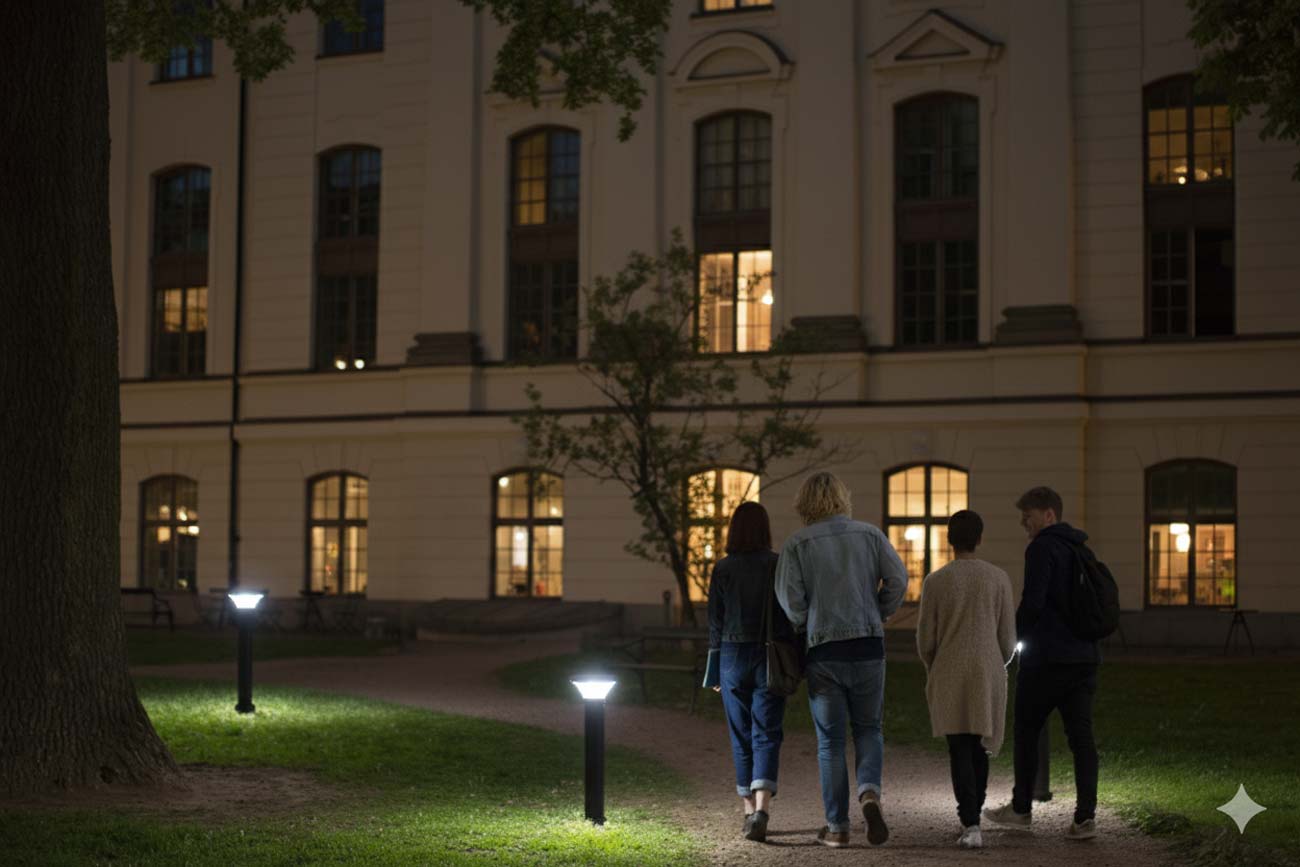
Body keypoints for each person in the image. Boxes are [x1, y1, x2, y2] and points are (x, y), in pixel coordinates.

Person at [775, 472, 908, 848]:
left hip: (824, 650)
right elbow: (898, 578)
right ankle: (869, 793)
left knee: (830, 742)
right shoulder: (869, 535)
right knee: (869, 728)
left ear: (805, 503)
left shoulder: (797, 544)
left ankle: (837, 826)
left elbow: (790, 600)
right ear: (842, 499)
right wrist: (878, 611)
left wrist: (808, 621)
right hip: (868, 646)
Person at [984, 486, 1101, 841]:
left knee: (1026, 730)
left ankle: (1021, 810)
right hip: (1083, 659)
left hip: (1047, 660)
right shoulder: (1081, 548)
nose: (1024, 521)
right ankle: (1085, 818)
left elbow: (1033, 602)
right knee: (1082, 737)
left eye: (1028, 515)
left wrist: (1013, 637)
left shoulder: (1041, 548)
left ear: (1049, 514)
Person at [915, 510, 1017, 850]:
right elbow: (1007, 639)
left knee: (958, 746)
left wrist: (935, 662)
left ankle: (969, 820)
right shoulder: (998, 578)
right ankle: (975, 812)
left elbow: (925, 640)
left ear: (949, 539)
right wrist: (996, 661)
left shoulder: (936, 581)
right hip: (987, 669)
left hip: (950, 670)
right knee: (980, 745)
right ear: (980, 538)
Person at [706, 501, 791, 843]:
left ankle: (746, 812)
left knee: (740, 734)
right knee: (767, 732)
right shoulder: (777, 564)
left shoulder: (723, 569)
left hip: (731, 656)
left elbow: (715, 621)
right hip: (768, 654)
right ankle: (762, 809)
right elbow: (787, 615)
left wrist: (714, 672)